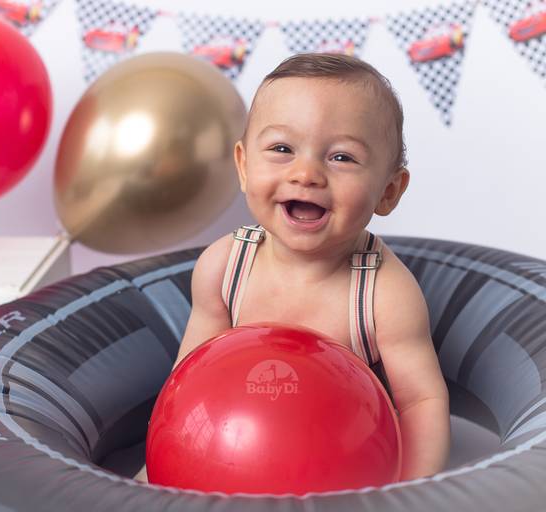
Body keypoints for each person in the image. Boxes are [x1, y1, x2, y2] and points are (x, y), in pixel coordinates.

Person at [135, 53, 450, 483]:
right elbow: (187, 383)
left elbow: (420, 402)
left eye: (342, 157)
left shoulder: (383, 293)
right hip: (235, 452)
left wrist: (410, 491)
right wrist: (155, 470)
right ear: (244, 166)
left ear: (389, 191)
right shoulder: (225, 268)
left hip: (345, 464)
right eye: (282, 149)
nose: (306, 174)